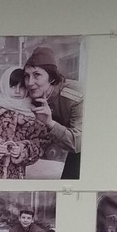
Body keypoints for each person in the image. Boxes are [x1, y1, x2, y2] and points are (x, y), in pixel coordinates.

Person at [23, 46, 84, 179]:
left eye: (37, 75)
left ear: (51, 78)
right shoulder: (32, 94)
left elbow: (79, 144)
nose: (30, 82)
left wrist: (50, 123)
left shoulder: (75, 96)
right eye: (27, 76)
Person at [0, 68, 49, 178]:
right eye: (13, 86)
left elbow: (40, 143)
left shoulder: (32, 114)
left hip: (16, 176)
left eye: (22, 87)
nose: (17, 91)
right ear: (4, 86)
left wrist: (22, 150)